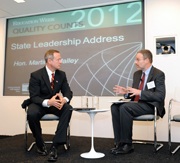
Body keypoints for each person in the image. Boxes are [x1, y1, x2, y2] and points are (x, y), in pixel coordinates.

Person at [110, 49, 166, 155]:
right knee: (115, 107)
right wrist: (126, 92)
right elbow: (134, 94)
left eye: (138, 59)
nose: (135, 62)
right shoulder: (137, 74)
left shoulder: (158, 74)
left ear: (147, 60)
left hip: (151, 105)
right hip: (137, 104)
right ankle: (119, 143)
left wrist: (140, 92)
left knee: (125, 108)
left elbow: (160, 96)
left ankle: (128, 144)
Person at [27, 49, 73, 162]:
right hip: (40, 103)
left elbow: (68, 92)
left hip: (55, 104)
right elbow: (34, 97)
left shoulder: (61, 75)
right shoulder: (36, 75)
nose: (61, 62)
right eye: (59, 59)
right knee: (31, 113)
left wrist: (64, 100)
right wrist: (48, 102)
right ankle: (39, 142)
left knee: (68, 108)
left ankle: (56, 145)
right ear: (49, 61)